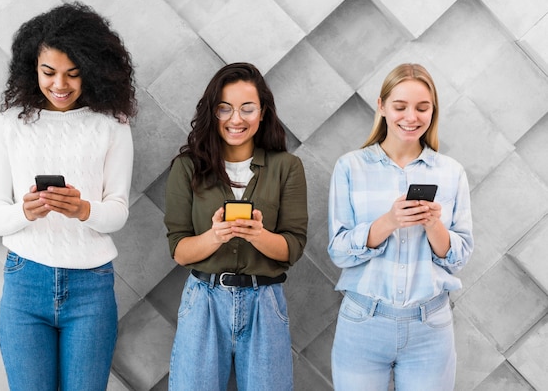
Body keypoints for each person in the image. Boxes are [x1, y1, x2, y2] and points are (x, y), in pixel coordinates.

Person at [0, 2, 137, 391]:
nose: (60, 85)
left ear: (93, 70)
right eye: (48, 72)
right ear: (31, 69)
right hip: (25, 283)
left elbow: (118, 213)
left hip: (91, 288)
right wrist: (26, 211)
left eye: (74, 73)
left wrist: (84, 209)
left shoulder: (113, 126)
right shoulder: (8, 126)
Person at [327, 63, 473, 391]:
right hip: (363, 323)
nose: (411, 117)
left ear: (433, 111)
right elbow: (338, 251)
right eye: (400, 106)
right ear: (381, 106)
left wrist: (434, 225)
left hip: (430, 328)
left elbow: (459, 256)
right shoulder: (350, 167)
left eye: (422, 108)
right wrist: (388, 222)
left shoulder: (451, 172)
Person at [164, 62, 308, 391]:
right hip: (203, 300)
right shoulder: (187, 168)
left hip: (265, 301)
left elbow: (293, 247)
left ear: (263, 112)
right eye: (225, 109)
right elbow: (179, 251)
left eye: (247, 108)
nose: (236, 119)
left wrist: (260, 236)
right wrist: (214, 237)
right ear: (213, 112)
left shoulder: (287, 167)